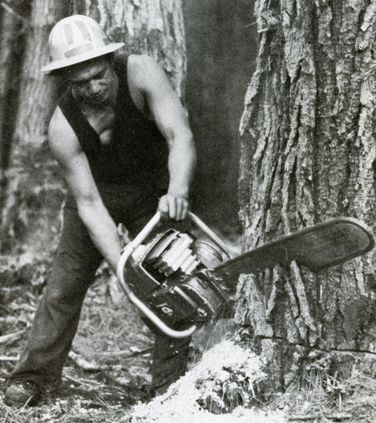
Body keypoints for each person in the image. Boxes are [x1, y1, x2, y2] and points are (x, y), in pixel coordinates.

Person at [4, 15, 196, 406]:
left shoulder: (141, 73)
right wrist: (121, 263)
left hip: (152, 192)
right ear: (65, 81)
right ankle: (32, 379)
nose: (93, 88)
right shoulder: (62, 129)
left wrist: (177, 190)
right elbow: (89, 203)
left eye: (98, 76)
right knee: (64, 286)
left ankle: (168, 385)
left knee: (170, 280)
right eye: (80, 82)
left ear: (110, 61)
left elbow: (180, 135)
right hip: (93, 197)